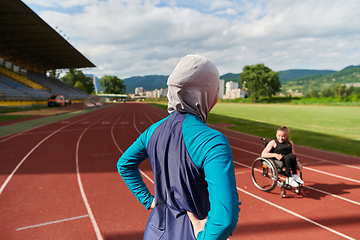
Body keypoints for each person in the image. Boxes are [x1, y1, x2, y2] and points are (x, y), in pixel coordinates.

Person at [117, 55, 240, 240]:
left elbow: (124, 164)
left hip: (154, 231)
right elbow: (224, 220)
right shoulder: (212, 141)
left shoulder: (153, 131)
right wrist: (204, 236)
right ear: (204, 93)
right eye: (215, 90)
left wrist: (148, 200)